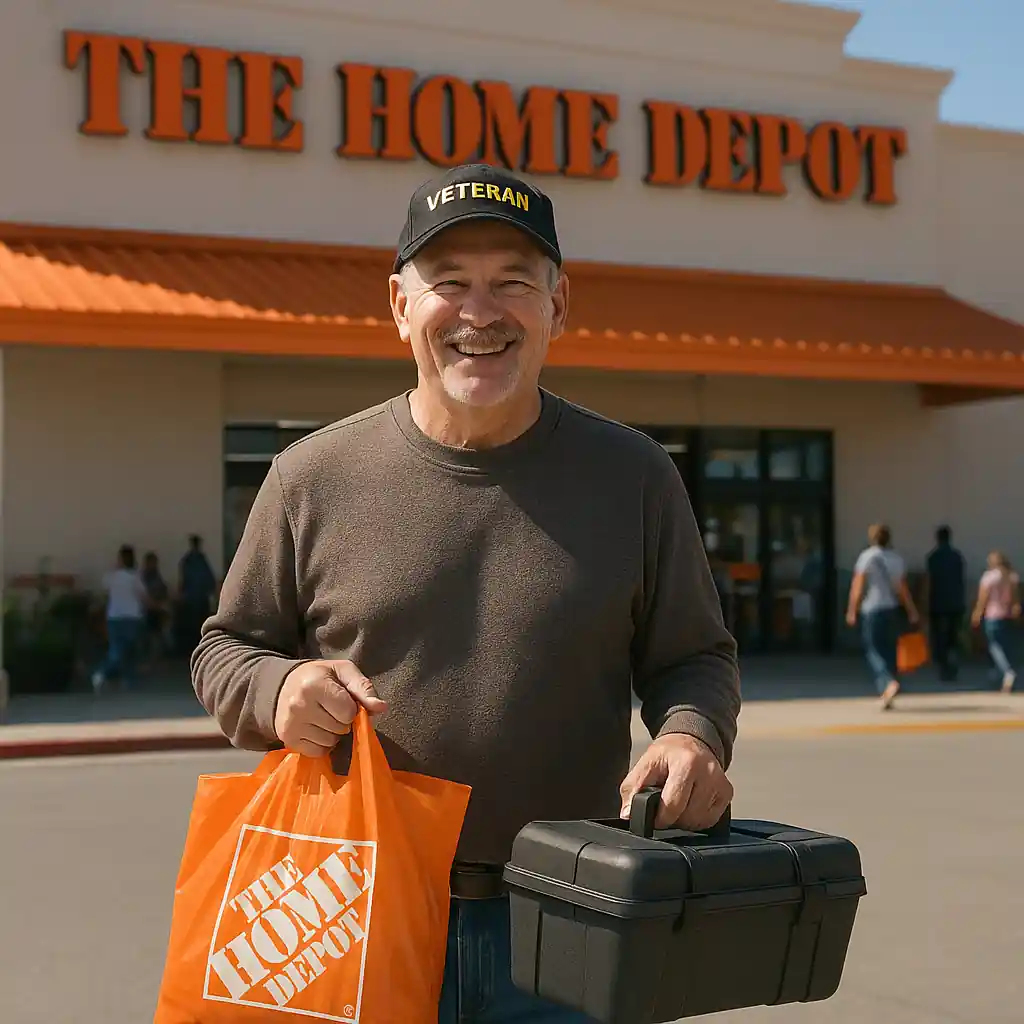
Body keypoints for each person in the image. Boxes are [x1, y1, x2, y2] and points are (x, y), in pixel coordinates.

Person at [192, 163, 741, 1023]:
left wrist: (692, 734)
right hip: (349, 906)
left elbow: (693, 656)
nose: (479, 313)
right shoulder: (311, 476)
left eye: (512, 283)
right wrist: (276, 689)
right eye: (449, 283)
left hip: (566, 915)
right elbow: (225, 649)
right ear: (400, 305)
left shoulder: (634, 476)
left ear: (558, 305)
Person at [846, 524, 920, 710]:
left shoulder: (866, 557)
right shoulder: (896, 558)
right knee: (890, 649)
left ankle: (888, 682)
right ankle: (887, 692)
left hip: (872, 609)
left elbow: (858, 586)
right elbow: (902, 589)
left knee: (873, 649)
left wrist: (852, 610)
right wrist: (911, 610)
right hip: (891, 609)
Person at [92, 544, 148, 692]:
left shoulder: (112, 576)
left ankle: (106, 675)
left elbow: (104, 590)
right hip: (132, 618)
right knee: (129, 651)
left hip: (115, 617)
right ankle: (118, 678)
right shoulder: (135, 577)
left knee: (117, 651)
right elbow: (143, 596)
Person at [970, 551, 1020, 693]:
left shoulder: (989, 577)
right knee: (1006, 645)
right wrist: (1016, 609)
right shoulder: (1011, 576)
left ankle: (1007, 671)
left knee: (994, 646)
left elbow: (983, 597)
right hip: (1007, 615)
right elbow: (1016, 598)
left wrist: (977, 612)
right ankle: (999, 673)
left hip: (993, 615)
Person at [924, 526, 967, 682]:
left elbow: (929, 582)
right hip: (956, 602)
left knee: (939, 637)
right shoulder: (957, 556)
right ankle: (953, 663)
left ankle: (944, 667)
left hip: (938, 603)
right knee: (953, 636)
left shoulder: (933, 557)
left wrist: (924, 603)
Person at [176, 534, 217, 657]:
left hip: (192, 599)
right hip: (199, 598)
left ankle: (192, 651)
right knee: (199, 626)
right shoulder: (199, 560)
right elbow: (209, 580)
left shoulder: (188, 560)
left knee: (193, 627)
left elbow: (183, 581)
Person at [141, 551, 171, 666]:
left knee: (157, 634)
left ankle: (156, 657)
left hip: (157, 609)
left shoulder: (155, 575)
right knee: (151, 635)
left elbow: (163, 589)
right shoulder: (144, 577)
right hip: (148, 610)